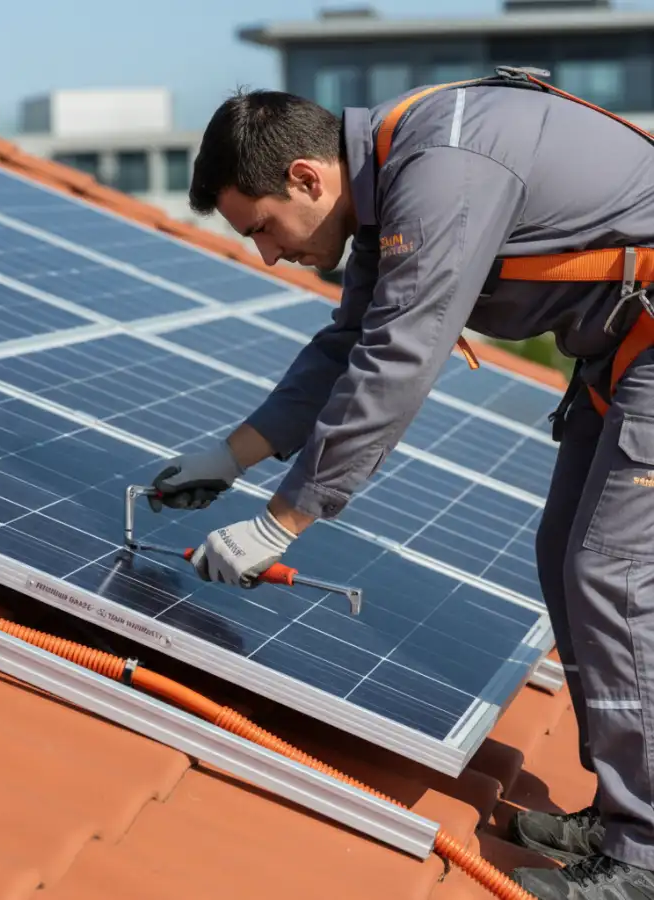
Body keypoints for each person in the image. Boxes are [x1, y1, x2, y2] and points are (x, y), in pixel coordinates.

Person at [146, 68, 654, 899]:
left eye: (263, 228)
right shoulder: (389, 179)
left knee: (614, 573)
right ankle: (625, 811)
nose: (270, 253)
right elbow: (348, 343)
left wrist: (281, 523)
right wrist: (232, 454)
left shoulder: (442, 171)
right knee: (566, 546)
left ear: (308, 177)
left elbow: (399, 360)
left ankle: (644, 859)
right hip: (625, 350)